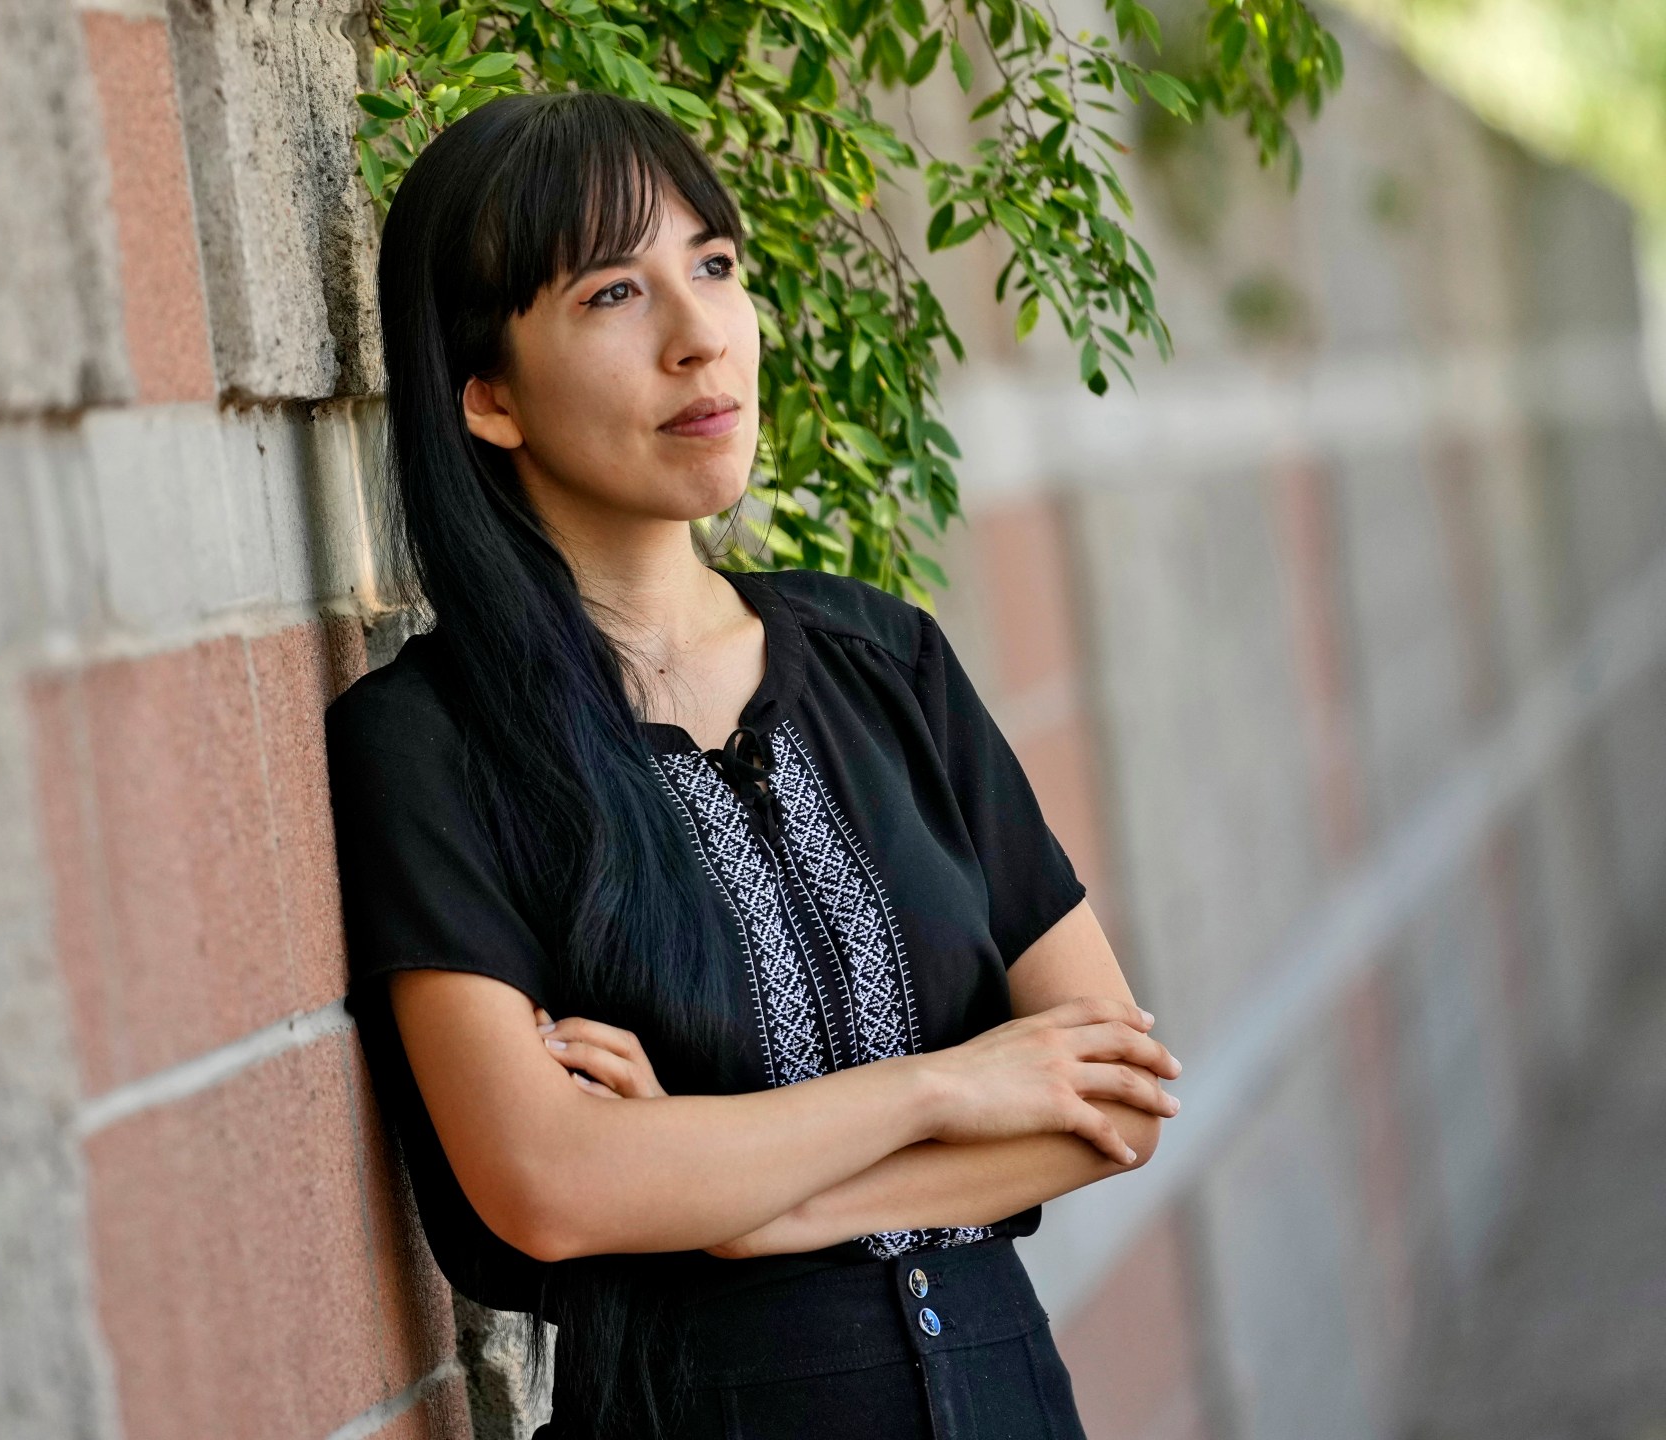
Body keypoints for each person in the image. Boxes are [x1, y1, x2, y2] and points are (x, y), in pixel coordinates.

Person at [323, 90, 1183, 1440]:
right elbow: (548, 1180)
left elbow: (1112, 1102)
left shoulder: (883, 660)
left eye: (713, 267)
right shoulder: (429, 744)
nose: (698, 334)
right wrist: (950, 1083)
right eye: (614, 293)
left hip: (1013, 1400)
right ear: (488, 397)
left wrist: (748, 1201)